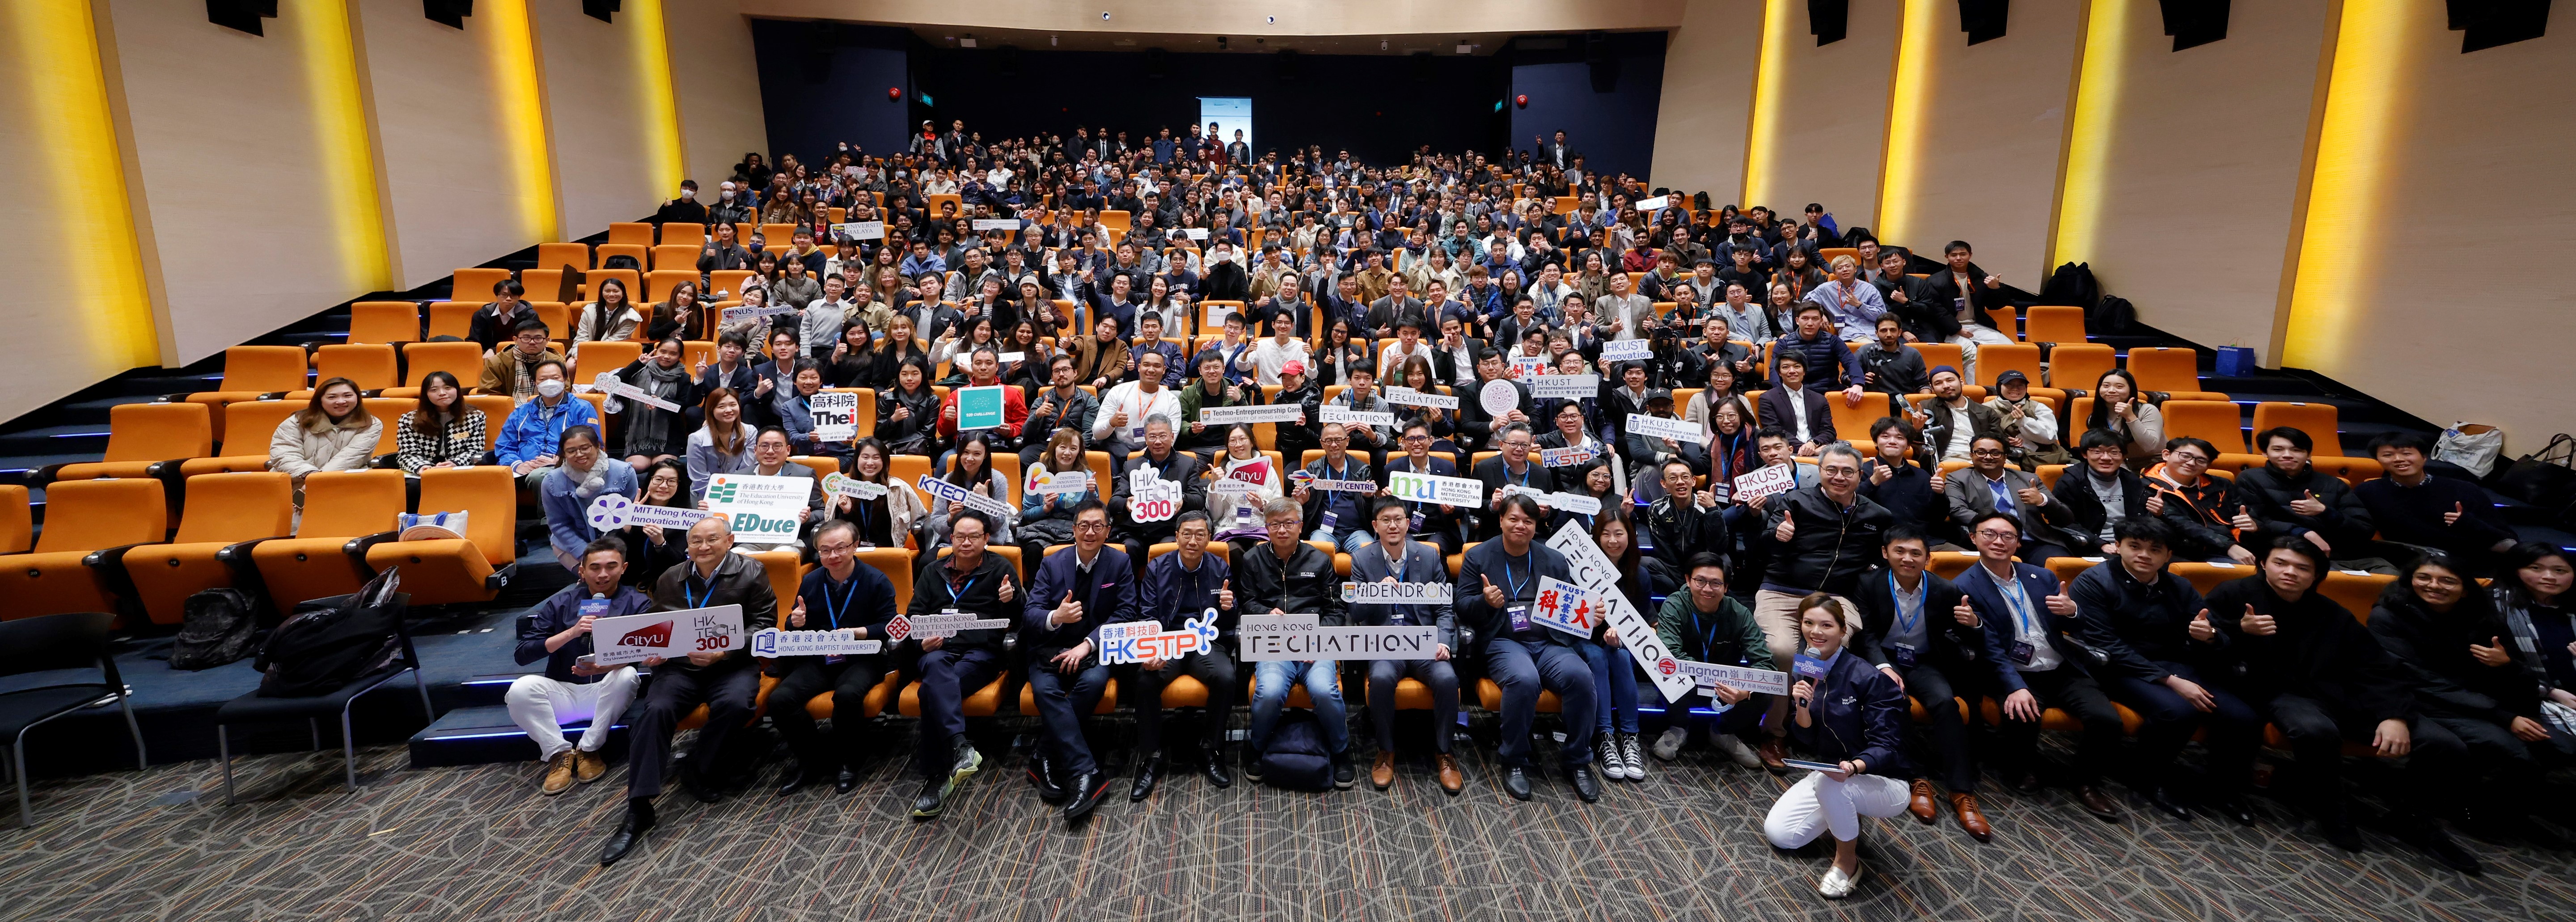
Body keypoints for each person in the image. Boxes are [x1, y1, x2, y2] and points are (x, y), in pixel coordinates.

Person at [2208, 538, 2479, 870]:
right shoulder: (2232, 594)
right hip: (2276, 691)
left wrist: (2392, 715)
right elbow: (2202, 643)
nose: (2290, 572)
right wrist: (2239, 630)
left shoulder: (2331, 613)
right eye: (2280, 563)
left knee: (2444, 744)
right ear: (2263, 563)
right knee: (2314, 730)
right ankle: (2331, 808)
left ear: (2317, 575)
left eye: (2302, 568)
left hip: (2342, 693)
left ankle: (2413, 816)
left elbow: (2375, 667)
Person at [597, 517, 777, 867]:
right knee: (655, 711)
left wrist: (724, 651)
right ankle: (639, 808)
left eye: (712, 540)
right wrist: (651, 649)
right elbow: (655, 625)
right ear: (688, 545)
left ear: (730, 541)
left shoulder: (752, 572)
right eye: (696, 541)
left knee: (738, 704)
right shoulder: (670, 577)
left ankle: (698, 767)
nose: (703, 547)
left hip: (731, 664)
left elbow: (765, 626)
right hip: (679, 667)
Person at [2377, 548, 2576, 842]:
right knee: (2515, 753)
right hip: (2424, 702)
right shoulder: (2389, 615)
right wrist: (2505, 717)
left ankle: (2500, 811)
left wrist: (2506, 666)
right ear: (2410, 581)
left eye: (2447, 581)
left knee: (2558, 746)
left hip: (2481, 702)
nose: (2434, 586)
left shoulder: (2480, 617)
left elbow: (2520, 678)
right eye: (2424, 578)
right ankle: (2470, 813)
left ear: (2464, 590)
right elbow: (2422, 681)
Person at [2071, 518, 2262, 824]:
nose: (2144, 555)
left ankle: (2223, 789)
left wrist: (2208, 636)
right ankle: (2146, 779)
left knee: (2244, 718)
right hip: (2118, 669)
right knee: (2177, 712)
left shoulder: (2178, 585)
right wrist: (2171, 681)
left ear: (2168, 555)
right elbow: (2105, 644)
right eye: (2134, 547)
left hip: (2176, 665)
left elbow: (2210, 630)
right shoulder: (2094, 581)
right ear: (2118, 547)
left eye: (2154, 550)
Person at [1954, 512, 2126, 821]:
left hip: (2060, 666)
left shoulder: (2040, 576)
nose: (1998, 541)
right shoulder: (1964, 586)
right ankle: (2019, 768)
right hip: (2012, 670)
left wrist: (2072, 612)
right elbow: (1989, 648)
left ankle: (2085, 781)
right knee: (2023, 713)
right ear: (1973, 538)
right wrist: (2014, 686)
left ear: (2018, 543)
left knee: (2107, 720)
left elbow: (2070, 626)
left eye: (2007, 536)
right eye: (1989, 534)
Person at [1761, 593, 1912, 900]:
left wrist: (1855, 767)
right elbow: (1807, 740)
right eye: (1808, 623)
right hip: (1832, 771)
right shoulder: (1807, 667)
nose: (1815, 632)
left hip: (1884, 778)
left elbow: (1889, 746)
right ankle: (1843, 807)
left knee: (1833, 789)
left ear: (1843, 631)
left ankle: (1847, 862)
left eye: (1826, 625)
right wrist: (1801, 708)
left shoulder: (1867, 677)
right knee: (1782, 836)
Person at [1844, 527, 1990, 838]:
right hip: (1883, 658)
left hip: (1923, 661)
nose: (1907, 559)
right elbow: (1865, 635)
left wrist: (1973, 624)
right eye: (1899, 551)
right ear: (1885, 553)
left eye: (1915, 553)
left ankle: (1961, 791)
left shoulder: (1944, 589)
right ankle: (1916, 778)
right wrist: (1883, 666)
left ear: (1927, 558)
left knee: (1945, 703)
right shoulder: (1867, 584)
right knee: (1896, 699)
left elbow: (1967, 637)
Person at [1456, 494, 1601, 802]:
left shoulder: (1553, 559)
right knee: (1523, 680)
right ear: (1501, 520)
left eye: (1528, 521)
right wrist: (1484, 602)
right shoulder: (1479, 556)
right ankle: (1514, 759)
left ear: (1536, 525)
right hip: (1503, 641)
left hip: (1549, 643)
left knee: (1580, 677)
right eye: (1514, 519)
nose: (1520, 526)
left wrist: (1590, 617)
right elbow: (1461, 607)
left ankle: (1577, 760)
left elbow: (1570, 610)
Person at [505, 537, 647, 795]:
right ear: (582, 570)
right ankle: (559, 753)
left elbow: (647, 652)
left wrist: (604, 667)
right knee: (520, 689)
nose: (603, 574)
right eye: (595, 567)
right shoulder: (560, 603)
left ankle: (590, 749)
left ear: (624, 568)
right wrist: (571, 632)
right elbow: (523, 654)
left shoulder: (638, 604)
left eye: (611, 566)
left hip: (608, 691)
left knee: (627, 675)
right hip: (564, 692)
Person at [768, 519, 898, 797]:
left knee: (848, 695)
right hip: (821, 657)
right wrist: (796, 622)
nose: (833, 556)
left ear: (855, 546)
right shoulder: (812, 580)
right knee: (780, 700)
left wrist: (858, 633)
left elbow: (890, 626)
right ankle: (813, 759)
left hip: (862, 657)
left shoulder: (876, 580)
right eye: (825, 550)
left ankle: (848, 761)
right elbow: (794, 624)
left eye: (841, 548)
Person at [903, 510, 1019, 820]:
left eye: (974, 537)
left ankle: (937, 776)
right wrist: (922, 640)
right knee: (935, 669)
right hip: (938, 650)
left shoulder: (1000, 569)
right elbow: (914, 617)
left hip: (979, 653)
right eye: (960, 537)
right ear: (950, 538)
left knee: (931, 693)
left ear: (986, 539)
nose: (966, 542)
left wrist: (1011, 600)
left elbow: (1019, 620)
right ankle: (960, 747)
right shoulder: (932, 569)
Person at [1021, 500, 1134, 819]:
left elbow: (1126, 612)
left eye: (1098, 526)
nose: (1090, 532)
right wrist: (1056, 617)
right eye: (1083, 525)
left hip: (1094, 649)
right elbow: (1031, 614)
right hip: (1051, 648)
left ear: (1108, 531)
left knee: (1094, 682)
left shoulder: (1119, 562)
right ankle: (1086, 772)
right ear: (1073, 530)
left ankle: (1043, 755)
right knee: (1045, 691)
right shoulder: (1052, 563)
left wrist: (1088, 644)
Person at [1235, 498, 1355, 789]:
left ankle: (1340, 751)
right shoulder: (1253, 559)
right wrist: (1265, 613)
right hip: (1273, 642)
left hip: (1314, 643)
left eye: (1289, 523)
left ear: (1301, 526)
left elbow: (1336, 609)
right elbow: (1247, 602)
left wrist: (1318, 641)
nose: (1282, 530)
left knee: (1324, 691)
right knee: (1269, 691)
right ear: (1266, 528)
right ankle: (1257, 747)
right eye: (1275, 524)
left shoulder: (1319, 560)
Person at [1349, 498, 1463, 794]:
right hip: (1385, 642)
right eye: (1385, 520)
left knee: (1447, 679)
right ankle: (1385, 751)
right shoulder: (1362, 560)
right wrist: (1375, 594)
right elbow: (1356, 613)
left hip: (1423, 639)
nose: (1393, 525)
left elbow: (1443, 609)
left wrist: (1443, 642)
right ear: (1375, 526)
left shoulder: (1427, 556)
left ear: (1408, 523)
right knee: (1382, 679)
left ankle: (1444, 752)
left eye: (1398, 519)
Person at [1128, 511, 1241, 799]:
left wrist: (1230, 608)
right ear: (1176, 536)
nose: (1193, 541)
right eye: (1187, 534)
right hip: (1168, 642)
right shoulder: (1158, 567)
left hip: (1206, 643)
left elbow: (1227, 626)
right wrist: (1152, 648)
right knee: (1145, 679)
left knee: (1227, 677)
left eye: (1200, 534)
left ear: (1209, 538)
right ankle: (1150, 757)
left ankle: (1210, 749)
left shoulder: (1220, 568)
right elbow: (1148, 615)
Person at [1646, 554, 1772, 768]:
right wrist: (1710, 675)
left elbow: (1765, 664)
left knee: (1767, 688)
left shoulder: (1739, 613)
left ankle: (1722, 732)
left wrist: (1745, 690)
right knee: (1665, 667)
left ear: (1725, 587)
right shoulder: (1674, 605)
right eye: (1700, 581)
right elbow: (1670, 652)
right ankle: (1679, 728)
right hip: (1687, 682)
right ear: (1688, 580)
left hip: (1727, 688)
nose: (1707, 589)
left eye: (1716, 583)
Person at [2358, 431, 2518, 575]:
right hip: (2408, 564)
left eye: (2407, 453)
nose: (2399, 460)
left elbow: (2509, 543)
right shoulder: (2368, 491)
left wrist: (2470, 524)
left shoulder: (2464, 490)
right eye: (2388, 455)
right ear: (2378, 461)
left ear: (2424, 457)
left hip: (2466, 564)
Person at [1577, 512, 1650, 782]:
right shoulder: (1580, 570)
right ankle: (1605, 737)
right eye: (1606, 534)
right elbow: (1567, 618)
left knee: (1618, 656)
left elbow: (1648, 624)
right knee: (1597, 657)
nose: (1613, 541)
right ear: (1596, 537)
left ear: (1630, 536)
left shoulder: (1639, 575)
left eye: (1619, 534)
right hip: (1585, 641)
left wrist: (1625, 634)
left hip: (1621, 645)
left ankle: (1631, 738)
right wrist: (1591, 620)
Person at [1944, 434, 2077, 563]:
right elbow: (1957, 510)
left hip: (2035, 542)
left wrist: (2042, 501)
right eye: (1981, 452)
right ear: (1971, 455)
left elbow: (2066, 518)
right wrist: (1999, 528)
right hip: (1993, 543)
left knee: (2059, 565)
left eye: (1995, 453)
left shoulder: (2028, 479)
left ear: (2005, 457)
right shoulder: (1958, 478)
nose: (1988, 457)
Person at [537, 426, 637, 570]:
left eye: (585, 448)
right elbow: (559, 525)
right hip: (574, 544)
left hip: (619, 541)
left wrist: (607, 553)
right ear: (564, 454)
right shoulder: (551, 481)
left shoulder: (624, 472)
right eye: (571, 451)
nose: (579, 454)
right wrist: (585, 554)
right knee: (592, 577)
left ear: (597, 446)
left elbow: (628, 518)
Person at [2145, 436, 2255, 565]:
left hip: (2230, 546)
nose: (2191, 463)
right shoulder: (2148, 487)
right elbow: (2182, 524)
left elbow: (2247, 515)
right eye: (2185, 456)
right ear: (2166, 455)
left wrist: (2254, 525)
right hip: (2185, 551)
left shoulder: (2221, 484)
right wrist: (2229, 546)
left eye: (2201, 460)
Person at [267, 377, 381, 499]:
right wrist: (310, 474)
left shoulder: (371, 424)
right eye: (332, 397)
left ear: (358, 398)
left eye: (348, 396)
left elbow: (350, 458)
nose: (341, 401)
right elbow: (284, 454)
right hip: (295, 483)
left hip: (342, 485)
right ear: (319, 400)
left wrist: (317, 481)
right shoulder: (297, 421)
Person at [495, 359, 600, 489]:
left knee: (539, 477)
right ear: (535, 383)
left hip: (566, 467)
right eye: (543, 379)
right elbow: (505, 446)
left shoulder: (582, 409)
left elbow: (594, 446)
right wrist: (518, 465)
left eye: (555, 378)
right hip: (523, 470)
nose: (550, 383)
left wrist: (561, 461)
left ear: (565, 380)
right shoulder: (521, 413)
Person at [2054, 429, 2151, 554]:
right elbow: (2064, 522)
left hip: (2133, 546)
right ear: (2085, 454)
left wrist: (2157, 513)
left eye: (2114, 452)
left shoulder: (2132, 481)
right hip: (2089, 547)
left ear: (2123, 456)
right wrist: (2100, 544)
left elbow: (2141, 519)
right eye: (2097, 452)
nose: (2106, 458)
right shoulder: (2070, 482)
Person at [609, 336, 698, 468]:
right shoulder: (639, 370)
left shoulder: (683, 377)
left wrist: (662, 403)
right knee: (637, 467)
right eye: (663, 352)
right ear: (656, 351)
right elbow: (615, 383)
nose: (667, 357)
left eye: (673, 354)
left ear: (679, 356)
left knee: (662, 466)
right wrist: (638, 363)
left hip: (668, 435)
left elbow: (684, 405)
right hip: (639, 435)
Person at [1294, 423, 1376, 553]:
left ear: (1347, 441)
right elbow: (1302, 509)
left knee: (1371, 553)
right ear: (1322, 444)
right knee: (1314, 553)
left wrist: (1369, 498)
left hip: (1356, 532)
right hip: (1323, 532)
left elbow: (1373, 512)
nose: (1334, 445)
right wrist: (1301, 502)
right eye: (1329, 441)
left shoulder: (1362, 470)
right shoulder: (1313, 470)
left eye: (1338, 440)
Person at [1091, 350, 1182, 464]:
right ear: (1139, 368)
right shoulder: (1118, 392)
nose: (1151, 370)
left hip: (1153, 454)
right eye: (1146, 365)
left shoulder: (1172, 401)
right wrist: (1111, 423)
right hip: (1117, 451)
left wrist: (1139, 458)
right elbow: (1097, 433)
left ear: (1164, 370)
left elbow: (1170, 439)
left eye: (1157, 366)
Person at [926, 433, 1011, 551]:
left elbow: (999, 524)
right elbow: (936, 522)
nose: (970, 458)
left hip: (988, 541)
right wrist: (950, 517)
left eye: (977, 454)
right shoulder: (948, 480)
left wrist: (986, 501)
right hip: (954, 541)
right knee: (926, 562)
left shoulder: (998, 480)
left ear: (985, 455)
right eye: (966, 453)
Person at [1471, 423, 1556, 542]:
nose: (1519, 449)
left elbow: (1552, 510)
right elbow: (1473, 506)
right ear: (1501, 445)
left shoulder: (1543, 474)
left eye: (1524, 445)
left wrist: (1546, 512)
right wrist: (1492, 505)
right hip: (1497, 533)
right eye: (1514, 444)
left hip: (1533, 535)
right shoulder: (1484, 468)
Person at [613, 459, 692, 584]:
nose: (663, 486)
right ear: (649, 480)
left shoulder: (684, 516)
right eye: (658, 479)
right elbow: (614, 552)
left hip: (663, 585)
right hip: (627, 583)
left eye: (671, 481)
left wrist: (660, 543)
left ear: (679, 485)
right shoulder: (630, 507)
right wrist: (628, 524)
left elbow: (677, 563)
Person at [394, 371, 487, 474]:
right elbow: (407, 455)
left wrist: (455, 463)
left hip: (458, 470)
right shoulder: (409, 420)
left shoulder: (475, 417)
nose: (442, 393)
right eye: (434, 390)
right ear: (426, 395)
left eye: (448, 388)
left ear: (457, 390)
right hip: (423, 472)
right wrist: (423, 467)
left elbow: (475, 451)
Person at [1912, 365, 2002, 464]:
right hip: (1949, 459)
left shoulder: (1986, 412)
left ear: (1962, 382)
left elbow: (1999, 440)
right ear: (1932, 388)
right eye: (1938, 383)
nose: (1946, 386)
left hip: (1984, 457)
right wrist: (1917, 429)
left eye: (1950, 380)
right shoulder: (1927, 407)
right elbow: (1915, 442)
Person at [682, 388, 755, 501]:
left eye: (733, 405)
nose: (729, 410)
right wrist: (722, 499)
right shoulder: (697, 439)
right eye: (721, 407)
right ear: (711, 410)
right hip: (705, 497)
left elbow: (747, 469)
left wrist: (734, 496)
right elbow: (700, 480)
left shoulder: (750, 432)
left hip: (739, 496)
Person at [1983, 371, 2066, 468]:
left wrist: (2024, 421)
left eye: (2021, 386)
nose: (2015, 389)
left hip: (2040, 456)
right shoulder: (1986, 409)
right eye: (2009, 385)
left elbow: (2051, 437)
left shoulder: (2039, 407)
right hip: (2002, 456)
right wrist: (2004, 442)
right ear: (1999, 387)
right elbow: (1979, 435)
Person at [2084, 369, 2164, 467]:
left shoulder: (2148, 410)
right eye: (2106, 386)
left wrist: (2130, 417)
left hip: (2153, 463)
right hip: (2118, 464)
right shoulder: (2094, 418)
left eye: (2119, 387)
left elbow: (2149, 446)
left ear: (2131, 390)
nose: (2111, 391)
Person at [1856, 316, 1927, 396]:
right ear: (1876, 333)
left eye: (1893, 330)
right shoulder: (1865, 351)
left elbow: (1923, 385)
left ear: (1900, 332)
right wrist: (1860, 379)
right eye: (1884, 331)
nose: (1889, 335)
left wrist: (1924, 402)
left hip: (1904, 404)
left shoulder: (1913, 354)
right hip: (1873, 402)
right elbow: (1845, 377)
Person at [467, 279, 534, 354]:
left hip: (518, 355)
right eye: (504, 295)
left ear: (519, 297)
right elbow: (474, 340)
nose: (508, 299)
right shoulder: (481, 315)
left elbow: (529, 341)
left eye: (513, 295)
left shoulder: (529, 315)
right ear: (497, 295)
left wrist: (495, 350)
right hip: (487, 356)